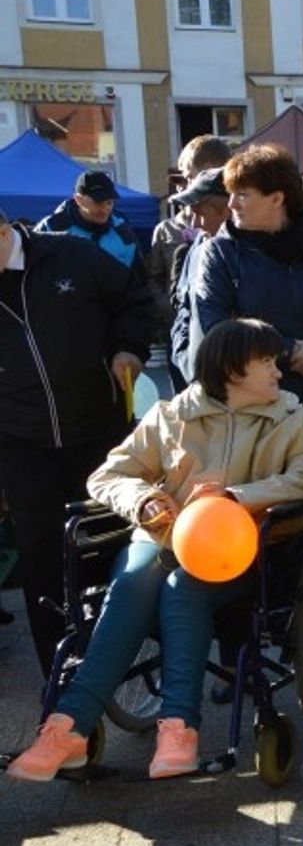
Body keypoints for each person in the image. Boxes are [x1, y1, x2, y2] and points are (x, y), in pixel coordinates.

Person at [5, 319, 303, 782]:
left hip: (234, 551)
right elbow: (108, 476)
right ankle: (68, 727)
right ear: (234, 369)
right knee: (133, 581)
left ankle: (178, 727)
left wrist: (238, 496)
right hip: (161, 538)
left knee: (183, 586)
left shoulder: (290, 418)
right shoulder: (172, 415)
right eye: (267, 362)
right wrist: (144, 500)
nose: (278, 372)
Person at [0, 208, 156, 676]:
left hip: (96, 430)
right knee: (40, 552)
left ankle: (117, 647)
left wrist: (129, 348)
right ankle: (60, 671)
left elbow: (135, 299)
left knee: (108, 540)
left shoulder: (71, 255)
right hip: (21, 440)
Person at [186, 143, 303, 451]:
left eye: (242, 195)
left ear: (277, 198)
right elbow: (216, 326)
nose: (231, 204)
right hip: (257, 413)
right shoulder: (219, 253)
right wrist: (288, 351)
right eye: (231, 193)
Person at [149, 136, 233, 353]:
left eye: (188, 177)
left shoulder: (248, 237)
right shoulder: (169, 232)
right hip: (187, 341)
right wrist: (173, 313)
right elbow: (154, 279)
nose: (183, 186)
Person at [168, 168, 234, 387]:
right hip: (201, 383)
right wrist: (185, 359)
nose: (194, 224)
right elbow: (183, 308)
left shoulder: (249, 254)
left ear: (227, 212)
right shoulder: (197, 248)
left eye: (200, 213)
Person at [37, 170, 142, 271]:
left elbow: (139, 278)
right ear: (78, 200)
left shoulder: (123, 232)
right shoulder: (51, 228)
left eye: (109, 202)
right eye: (98, 202)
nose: (105, 209)